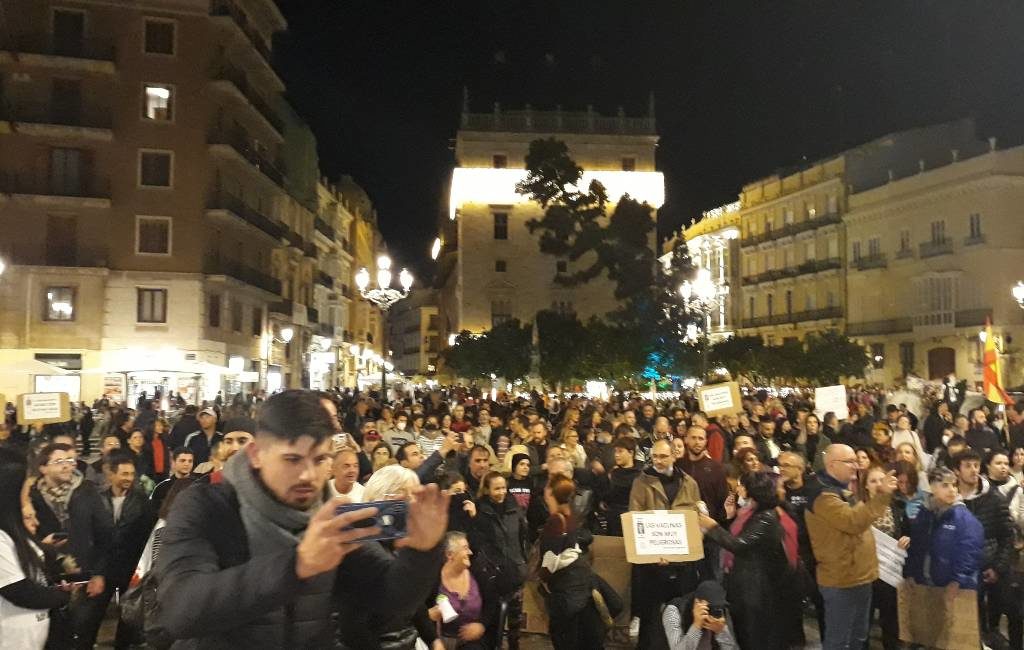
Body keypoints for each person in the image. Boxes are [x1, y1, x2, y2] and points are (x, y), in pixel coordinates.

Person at [154, 389, 449, 648]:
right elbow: (181, 611)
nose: (308, 475)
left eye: (320, 460)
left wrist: (422, 551)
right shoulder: (205, 505)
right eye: (292, 459)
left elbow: (389, 597)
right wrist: (297, 565)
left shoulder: (329, 513)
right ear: (256, 454)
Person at [805, 444, 897, 650]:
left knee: (858, 636)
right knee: (839, 640)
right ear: (832, 464)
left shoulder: (841, 490)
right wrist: (881, 495)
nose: (855, 466)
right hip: (841, 580)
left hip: (859, 576)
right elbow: (853, 522)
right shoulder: (823, 495)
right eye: (850, 462)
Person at [699, 471, 798, 650]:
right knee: (747, 634)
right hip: (748, 587)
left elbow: (739, 544)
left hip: (756, 589)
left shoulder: (766, 517)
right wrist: (728, 520)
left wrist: (712, 526)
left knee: (754, 637)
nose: (784, 490)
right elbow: (741, 539)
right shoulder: (753, 513)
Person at [29, 443, 113, 649]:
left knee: (80, 634)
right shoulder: (31, 496)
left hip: (83, 576)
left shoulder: (86, 491)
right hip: (45, 579)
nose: (67, 466)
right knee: (52, 636)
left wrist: (99, 574)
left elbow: (106, 535)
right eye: (59, 462)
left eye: (69, 461)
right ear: (43, 468)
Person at [78, 450, 156, 649]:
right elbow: (90, 535)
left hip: (129, 567)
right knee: (91, 616)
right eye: (124, 474)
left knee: (128, 615)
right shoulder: (96, 500)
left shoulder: (141, 502)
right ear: (111, 475)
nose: (128, 478)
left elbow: (147, 535)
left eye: (131, 474)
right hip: (102, 568)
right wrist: (95, 570)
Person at [629, 438, 702, 648]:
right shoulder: (641, 482)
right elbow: (636, 522)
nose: (658, 461)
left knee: (679, 610)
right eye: (654, 457)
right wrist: (652, 555)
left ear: (674, 455)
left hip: (682, 563)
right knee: (650, 614)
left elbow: (695, 521)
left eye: (663, 456)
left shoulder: (689, 483)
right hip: (652, 563)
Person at [0, 447, 72, 650]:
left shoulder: (15, 530)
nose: (28, 491)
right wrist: (61, 597)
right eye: (24, 485)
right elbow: (19, 591)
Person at [539, 474, 620, 649]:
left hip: (567, 594)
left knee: (567, 641)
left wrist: (542, 577)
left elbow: (550, 562)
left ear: (551, 493)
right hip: (582, 588)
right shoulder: (571, 516)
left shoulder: (555, 521)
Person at [954, 448, 1015, 645]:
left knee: (994, 627)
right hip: (962, 573)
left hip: (990, 569)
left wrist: (997, 567)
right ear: (957, 471)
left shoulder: (994, 498)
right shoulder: (950, 498)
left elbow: (1007, 536)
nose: (973, 470)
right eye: (967, 466)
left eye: (976, 465)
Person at [904, 466, 985, 609]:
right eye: (945, 485)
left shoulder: (964, 518)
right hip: (926, 585)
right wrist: (910, 573)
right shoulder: (924, 515)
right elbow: (916, 547)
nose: (952, 490)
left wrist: (957, 581)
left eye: (954, 485)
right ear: (932, 488)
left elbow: (970, 553)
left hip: (955, 589)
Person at [470, 471, 528, 650]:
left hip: (515, 570)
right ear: (487, 490)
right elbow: (479, 542)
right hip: (493, 573)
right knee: (494, 617)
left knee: (515, 618)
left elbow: (523, 536)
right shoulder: (480, 511)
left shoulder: (514, 508)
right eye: (496, 488)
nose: (501, 492)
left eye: (503, 488)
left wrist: (522, 561)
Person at [863, 465, 910, 650]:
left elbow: (906, 532)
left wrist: (906, 540)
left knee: (891, 621)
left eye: (881, 481)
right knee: (863, 621)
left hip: (890, 572)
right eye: (873, 481)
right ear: (865, 485)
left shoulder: (898, 506)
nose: (878, 485)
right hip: (866, 572)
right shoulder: (859, 508)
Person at [427, 531, 493, 649]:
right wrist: (429, 615)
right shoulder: (433, 577)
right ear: (449, 554)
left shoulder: (478, 574)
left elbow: (492, 603)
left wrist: (481, 625)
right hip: (439, 640)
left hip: (472, 641)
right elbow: (418, 612)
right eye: (465, 548)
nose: (470, 552)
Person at [662, 580, 736, 650]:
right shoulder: (674, 611)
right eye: (709, 607)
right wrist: (696, 626)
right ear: (697, 603)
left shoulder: (720, 612)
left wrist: (721, 632)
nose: (712, 612)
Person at [594, 437, 641, 536]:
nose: (616, 455)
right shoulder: (613, 473)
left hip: (632, 519)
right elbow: (605, 496)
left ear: (631, 453)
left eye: (620, 451)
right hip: (613, 520)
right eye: (615, 451)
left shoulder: (640, 475)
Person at [150, 447, 194, 514]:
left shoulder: (198, 486)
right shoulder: (161, 488)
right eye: (182, 460)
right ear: (173, 462)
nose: (187, 464)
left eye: (190, 461)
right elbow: (154, 513)